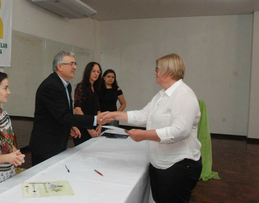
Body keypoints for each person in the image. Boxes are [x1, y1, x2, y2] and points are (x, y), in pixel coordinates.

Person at [102, 53, 202, 203]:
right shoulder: (161, 95)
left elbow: (180, 131)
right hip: (161, 164)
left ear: (169, 72)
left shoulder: (183, 95)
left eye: (158, 69)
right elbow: (143, 115)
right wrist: (114, 115)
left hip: (178, 166)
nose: (155, 72)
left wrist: (144, 135)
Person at [29, 51, 107, 166]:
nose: (75, 67)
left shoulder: (66, 85)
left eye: (75, 64)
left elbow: (62, 111)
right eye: (71, 64)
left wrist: (71, 125)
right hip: (46, 145)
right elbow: (64, 116)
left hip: (58, 142)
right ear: (60, 66)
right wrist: (95, 120)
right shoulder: (51, 86)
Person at [73, 62, 103, 146]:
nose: (96, 74)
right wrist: (88, 128)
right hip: (83, 127)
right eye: (93, 71)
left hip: (94, 126)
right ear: (88, 71)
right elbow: (77, 109)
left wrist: (100, 125)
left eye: (98, 72)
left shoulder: (96, 88)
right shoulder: (81, 86)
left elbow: (98, 109)